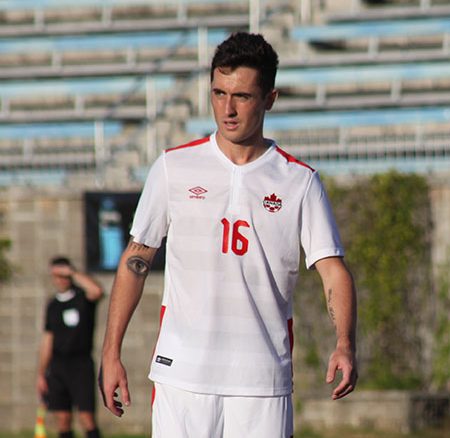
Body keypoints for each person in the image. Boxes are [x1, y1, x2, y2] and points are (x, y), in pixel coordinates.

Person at [98, 32, 358, 437]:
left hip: (261, 382)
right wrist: (111, 351)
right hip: (182, 376)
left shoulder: (299, 182)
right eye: (219, 93)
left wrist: (344, 342)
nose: (228, 108)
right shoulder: (173, 167)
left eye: (242, 96)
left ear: (269, 98)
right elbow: (137, 260)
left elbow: (333, 271)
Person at [37, 257, 104, 438]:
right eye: (56, 275)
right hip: (58, 366)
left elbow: (97, 291)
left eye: (63, 275)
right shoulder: (53, 305)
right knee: (62, 418)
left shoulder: (82, 298)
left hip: (80, 364)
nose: (60, 279)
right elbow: (47, 339)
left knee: (86, 417)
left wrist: (72, 272)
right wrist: (42, 373)